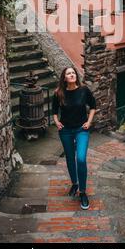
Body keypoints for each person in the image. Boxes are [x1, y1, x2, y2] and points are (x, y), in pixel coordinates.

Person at [52, 66, 96, 210]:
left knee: (81, 159)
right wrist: (57, 122)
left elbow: (93, 106)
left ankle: (82, 192)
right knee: (70, 158)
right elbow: (54, 110)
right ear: (64, 78)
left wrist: (89, 122)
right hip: (65, 131)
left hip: (81, 130)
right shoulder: (59, 93)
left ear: (76, 75)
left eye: (73, 73)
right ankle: (74, 184)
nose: (71, 75)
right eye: (68, 73)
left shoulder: (84, 90)